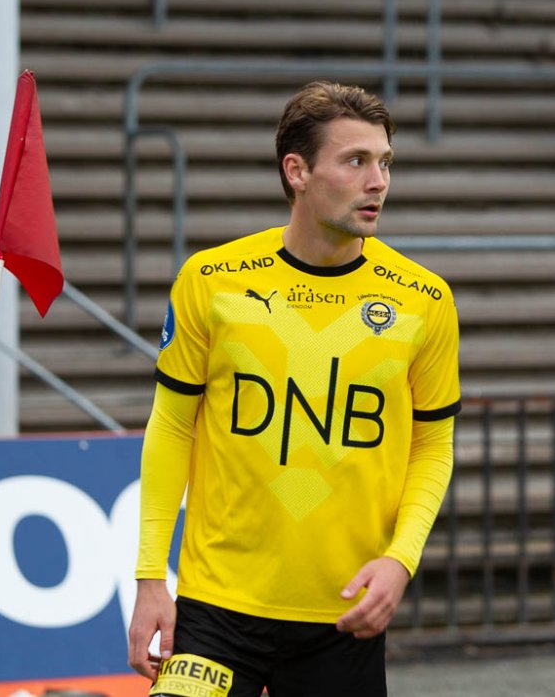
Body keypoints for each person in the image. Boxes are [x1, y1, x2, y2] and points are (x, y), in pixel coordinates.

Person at [127, 80, 461, 697]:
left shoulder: (424, 299)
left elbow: (433, 445)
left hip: (342, 614)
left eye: (385, 162)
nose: (378, 182)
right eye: (356, 161)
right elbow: (172, 426)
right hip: (216, 607)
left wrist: (401, 559)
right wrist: (151, 576)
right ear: (297, 171)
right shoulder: (211, 279)